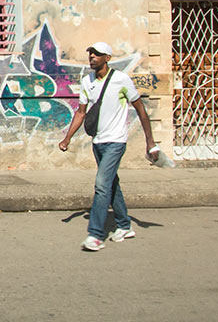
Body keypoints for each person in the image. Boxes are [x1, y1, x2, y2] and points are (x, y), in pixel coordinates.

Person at [59, 41, 158, 252]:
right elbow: (81, 112)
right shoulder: (87, 81)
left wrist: (150, 142)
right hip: (98, 142)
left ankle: (95, 235)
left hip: (116, 141)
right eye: (90, 53)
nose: (92, 56)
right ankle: (124, 225)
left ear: (107, 58)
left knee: (102, 184)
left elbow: (141, 111)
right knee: (111, 184)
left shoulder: (122, 80)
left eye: (97, 54)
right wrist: (67, 138)